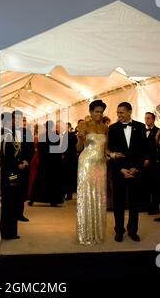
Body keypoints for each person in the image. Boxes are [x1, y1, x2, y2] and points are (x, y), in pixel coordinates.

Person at [108, 102, 146, 242]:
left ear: (130, 111)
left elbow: (143, 150)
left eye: (121, 112)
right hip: (120, 171)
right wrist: (121, 169)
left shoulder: (141, 127)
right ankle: (119, 231)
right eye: (117, 113)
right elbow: (111, 151)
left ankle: (133, 230)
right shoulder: (112, 128)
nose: (119, 115)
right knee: (118, 203)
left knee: (134, 203)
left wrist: (136, 168)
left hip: (135, 171)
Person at [76, 100, 109, 244]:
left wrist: (112, 154)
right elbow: (78, 149)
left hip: (100, 165)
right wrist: (80, 139)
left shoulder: (105, 128)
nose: (99, 114)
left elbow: (105, 149)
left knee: (99, 197)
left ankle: (97, 232)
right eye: (97, 111)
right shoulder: (84, 125)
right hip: (86, 164)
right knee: (87, 196)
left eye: (101, 112)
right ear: (91, 112)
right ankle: (86, 233)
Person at [0, 112, 25, 240]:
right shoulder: (6, 136)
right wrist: (13, 175)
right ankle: (7, 232)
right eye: (9, 121)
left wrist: (20, 161)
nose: (12, 123)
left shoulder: (10, 135)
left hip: (13, 172)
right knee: (9, 204)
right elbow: (7, 159)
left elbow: (15, 154)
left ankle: (11, 231)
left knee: (12, 203)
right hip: (10, 174)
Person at [30, 120, 64, 206]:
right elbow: (57, 148)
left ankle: (33, 199)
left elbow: (40, 149)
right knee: (52, 182)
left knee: (40, 180)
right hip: (53, 162)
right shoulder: (56, 136)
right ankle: (53, 201)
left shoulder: (41, 136)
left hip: (44, 162)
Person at [13, 112, 34, 222]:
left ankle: (19, 214)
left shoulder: (27, 133)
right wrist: (16, 163)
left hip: (24, 167)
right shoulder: (8, 133)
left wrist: (26, 161)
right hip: (12, 169)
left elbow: (30, 149)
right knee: (12, 188)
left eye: (20, 119)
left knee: (21, 190)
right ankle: (11, 213)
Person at [142, 112, 160, 214]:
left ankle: (154, 207)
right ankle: (145, 205)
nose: (147, 120)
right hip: (142, 162)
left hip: (153, 163)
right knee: (144, 185)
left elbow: (156, 148)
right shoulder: (142, 131)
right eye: (145, 118)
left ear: (153, 119)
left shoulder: (158, 131)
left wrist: (149, 159)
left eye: (149, 118)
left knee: (154, 186)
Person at [61, 122, 78, 201]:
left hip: (67, 158)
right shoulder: (73, 136)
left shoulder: (66, 136)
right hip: (72, 158)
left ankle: (67, 193)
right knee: (69, 177)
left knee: (66, 176)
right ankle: (69, 194)